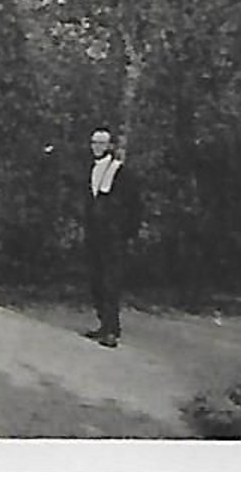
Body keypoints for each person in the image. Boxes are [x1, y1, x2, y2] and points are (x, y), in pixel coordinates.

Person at [84, 127, 142, 348]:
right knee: (96, 281)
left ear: (109, 146)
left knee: (111, 283)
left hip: (114, 237)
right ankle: (103, 324)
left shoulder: (121, 172)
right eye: (94, 143)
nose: (96, 147)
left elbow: (135, 205)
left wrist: (126, 232)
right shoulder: (90, 169)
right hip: (95, 236)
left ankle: (112, 331)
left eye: (101, 143)